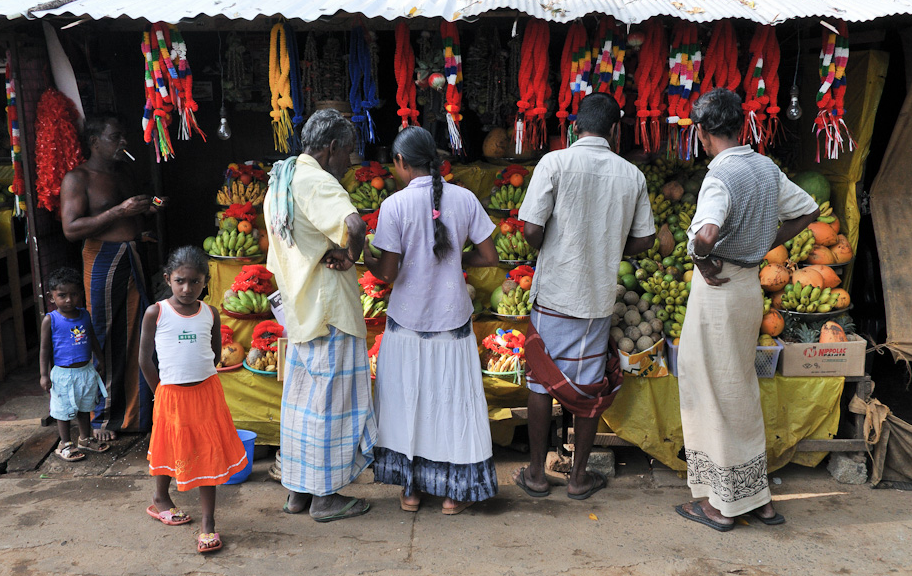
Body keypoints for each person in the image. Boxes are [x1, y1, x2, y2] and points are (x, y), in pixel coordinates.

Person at [674, 88, 819, 532]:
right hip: (748, 290)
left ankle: (719, 506)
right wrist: (764, 245)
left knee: (712, 391)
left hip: (718, 290)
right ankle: (758, 500)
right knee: (738, 389)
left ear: (702, 132)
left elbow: (706, 232)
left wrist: (702, 256)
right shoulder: (763, 166)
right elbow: (807, 211)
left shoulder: (720, 177)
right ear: (740, 127)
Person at [515, 92, 656, 500]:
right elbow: (645, 239)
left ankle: (537, 475)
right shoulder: (632, 175)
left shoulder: (554, 162)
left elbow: (529, 230)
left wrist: (552, 243)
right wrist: (609, 246)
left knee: (542, 382)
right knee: (589, 386)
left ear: (575, 126)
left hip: (555, 294)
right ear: (615, 130)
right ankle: (578, 479)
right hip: (596, 300)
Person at [363, 126, 500, 516]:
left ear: (401, 163)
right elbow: (490, 257)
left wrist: (365, 256)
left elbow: (386, 274)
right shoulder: (465, 198)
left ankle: (411, 491)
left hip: (406, 322)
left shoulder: (394, 206)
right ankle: (453, 494)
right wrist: (456, 259)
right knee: (453, 407)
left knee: (408, 407)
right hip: (451, 321)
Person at [265, 109, 377, 522]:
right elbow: (355, 223)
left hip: (300, 309)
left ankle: (299, 492)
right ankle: (326, 498)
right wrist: (351, 255)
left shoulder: (282, 176)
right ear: (331, 148)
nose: (349, 162)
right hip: (329, 311)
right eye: (347, 152)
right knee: (332, 405)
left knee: (301, 404)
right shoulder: (315, 179)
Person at [60, 115, 163, 440]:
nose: (124, 143)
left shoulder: (123, 172)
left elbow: (132, 212)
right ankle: (101, 418)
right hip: (103, 260)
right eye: (116, 137)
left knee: (137, 334)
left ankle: (135, 416)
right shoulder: (78, 178)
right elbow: (71, 229)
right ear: (95, 142)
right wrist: (120, 211)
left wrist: (150, 208)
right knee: (104, 336)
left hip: (132, 257)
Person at [138, 246, 246, 554]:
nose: (187, 288)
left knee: (206, 453)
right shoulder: (155, 312)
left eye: (195, 282)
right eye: (181, 281)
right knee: (166, 445)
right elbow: (145, 359)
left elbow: (213, 353)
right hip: (170, 394)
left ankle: (208, 524)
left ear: (205, 283)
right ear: (168, 278)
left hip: (206, 394)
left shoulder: (210, 313)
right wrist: (160, 390)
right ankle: (160, 500)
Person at [39, 267, 110, 461]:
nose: (68, 300)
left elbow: (92, 338)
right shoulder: (50, 320)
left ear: (81, 294)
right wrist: (44, 375)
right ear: (51, 297)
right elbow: (44, 350)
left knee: (85, 406)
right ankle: (65, 443)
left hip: (85, 371)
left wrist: (100, 359)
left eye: (74, 294)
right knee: (63, 410)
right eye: (62, 295)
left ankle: (85, 439)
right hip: (63, 374)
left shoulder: (84, 315)